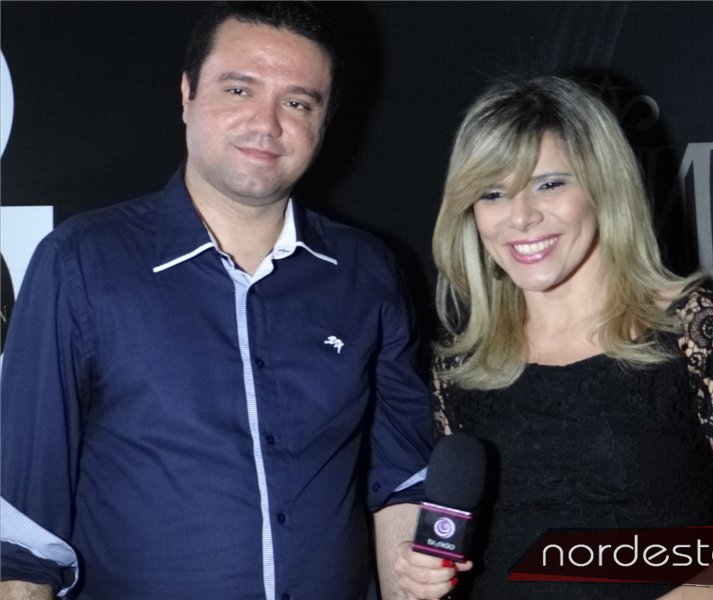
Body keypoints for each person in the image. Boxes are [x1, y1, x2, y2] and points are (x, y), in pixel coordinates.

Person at [0, 2, 440, 599]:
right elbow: (24, 533)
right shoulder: (81, 262)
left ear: (324, 121)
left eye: (298, 103)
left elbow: (400, 478)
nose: (267, 124)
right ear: (187, 94)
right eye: (239, 90)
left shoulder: (369, 272)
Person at [392, 75, 713, 599]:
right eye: (492, 194)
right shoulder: (464, 362)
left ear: (603, 186)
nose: (520, 216)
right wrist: (425, 571)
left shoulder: (694, 327)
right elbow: (461, 544)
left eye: (548, 184)